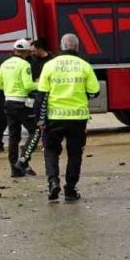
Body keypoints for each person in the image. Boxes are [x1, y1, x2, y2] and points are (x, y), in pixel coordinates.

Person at [35, 33, 100, 201]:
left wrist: (39, 119)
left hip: (53, 118)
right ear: (76, 47)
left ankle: (53, 182)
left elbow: (41, 95)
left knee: (50, 151)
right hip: (77, 119)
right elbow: (95, 92)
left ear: (61, 46)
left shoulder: (49, 65)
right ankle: (70, 189)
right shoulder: (84, 66)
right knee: (75, 154)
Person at [0, 39, 38, 177]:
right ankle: (23, 160)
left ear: (14, 50)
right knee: (35, 131)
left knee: (14, 136)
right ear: (25, 52)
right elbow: (28, 86)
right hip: (22, 102)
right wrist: (40, 84)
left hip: (8, 102)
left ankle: (14, 169)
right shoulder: (25, 64)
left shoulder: (5, 64)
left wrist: (8, 89)